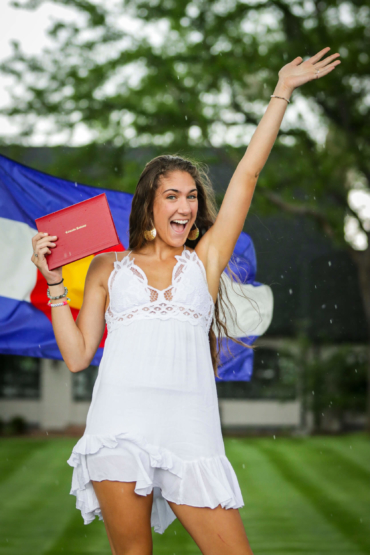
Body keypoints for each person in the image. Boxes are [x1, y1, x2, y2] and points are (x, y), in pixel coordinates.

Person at [31, 47, 340, 555]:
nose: (185, 204)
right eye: (172, 195)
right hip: (119, 430)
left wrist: (281, 91)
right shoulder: (109, 267)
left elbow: (247, 174)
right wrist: (55, 284)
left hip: (190, 434)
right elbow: (78, 355)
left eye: (191, 196)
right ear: (150, 203)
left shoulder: (206, 261)